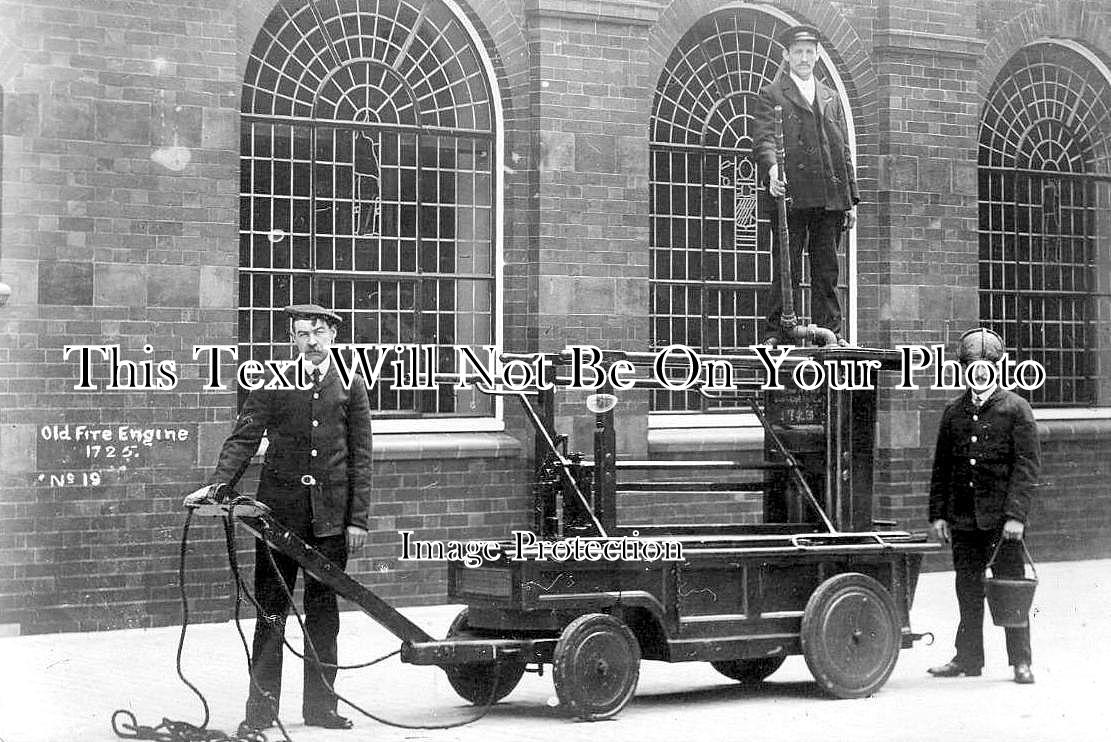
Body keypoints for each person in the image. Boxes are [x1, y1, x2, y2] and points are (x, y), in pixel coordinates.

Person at [186, 304, 373, 731]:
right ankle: (261, 711)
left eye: (319, 332)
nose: (311, 340)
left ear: (333, 337)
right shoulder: (271, 382)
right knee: (272, 613)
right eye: (303, 333)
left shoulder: (352, 386)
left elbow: (362, 458)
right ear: (292, 338)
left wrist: (357, 520)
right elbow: (244, 437)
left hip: (330, 523)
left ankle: (321, 709)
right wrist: (219, 485)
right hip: (278, 520)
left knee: (324, 616)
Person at [927, 328, 1039, 684]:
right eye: (972, 366)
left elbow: (1026, 467)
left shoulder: (1016, 409)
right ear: (965, 370)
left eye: (985, 366)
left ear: (997, 368)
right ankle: (968, 658)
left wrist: (1015, 517)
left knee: (1010, 588)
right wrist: (939, 514)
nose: (978, 372)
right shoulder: (953, 412)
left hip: (1002, 522)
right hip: (963, 519)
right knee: (967, 588)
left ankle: (1021, 661)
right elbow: (942, 467)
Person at [752, 24, 858, 345]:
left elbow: (843, 151)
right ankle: (778, 333)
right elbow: (764, 140)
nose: (803, 58)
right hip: (791, 195)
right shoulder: (772, 94)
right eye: (797, 52)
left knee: (826, 270)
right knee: (787, 267)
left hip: (830, 198)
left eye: (809, 52)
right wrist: (772, 171)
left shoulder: (831, 97)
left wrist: (851, 200)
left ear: (817, 55)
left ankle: (831, 335)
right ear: (787, 55)